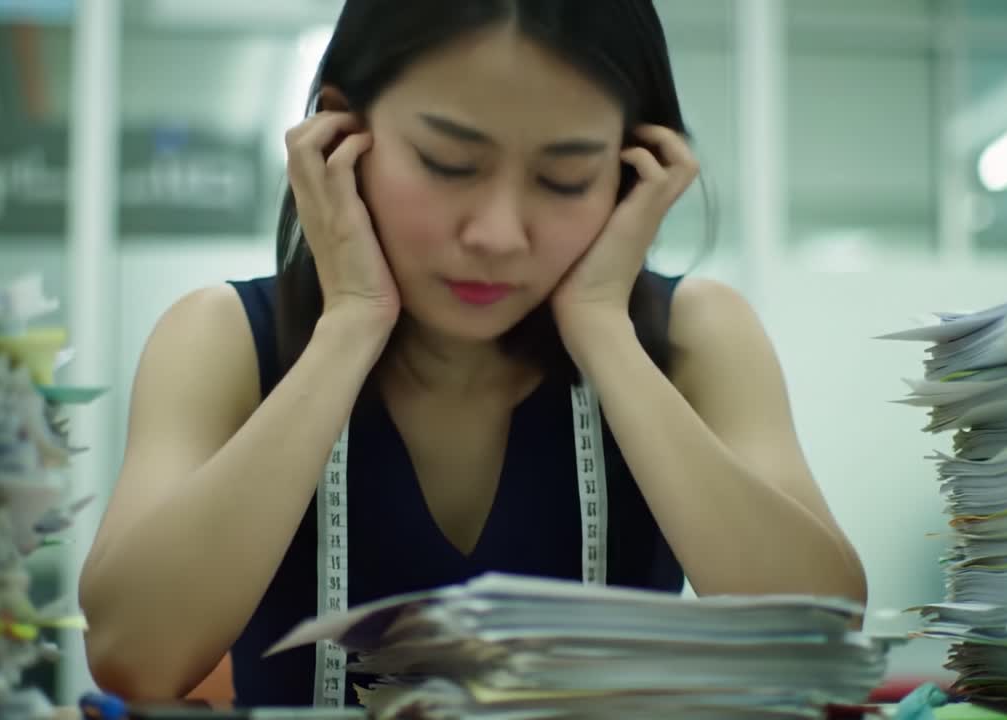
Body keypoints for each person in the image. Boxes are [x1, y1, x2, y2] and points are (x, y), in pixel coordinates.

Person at [79, 0, 868, 707]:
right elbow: (131, 657)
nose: (497, 233)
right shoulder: (224, 337)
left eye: (565, 177)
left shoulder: (695, 337)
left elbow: (817, 639)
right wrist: (350, 324)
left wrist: (603, 330)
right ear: (340, 137)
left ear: (632, 173)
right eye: (449, 164)